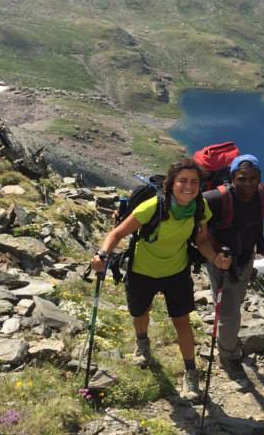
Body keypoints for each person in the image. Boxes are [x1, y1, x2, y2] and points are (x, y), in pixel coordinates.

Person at [90, 159, 226, 399]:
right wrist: (102, 255)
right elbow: (117, 233)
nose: (189, 186)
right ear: (171, 184)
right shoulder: (153, 207)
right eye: (183, 181)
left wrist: (215, 259)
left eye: (194, 182)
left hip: (177, 270)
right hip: (143, 270)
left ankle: (190, 374)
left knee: (181, 321)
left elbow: (202, 240)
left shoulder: (200, 206)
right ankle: (142, 343)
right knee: (140, 313)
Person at [202, 154, 264, 386]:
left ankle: (228, 341)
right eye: (242, 179)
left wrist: (261, 243)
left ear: (260, 178)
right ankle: (228, 355)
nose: (248, 184)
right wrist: (214, 254)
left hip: (246, 256)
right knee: (229, 311)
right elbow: (198, 227)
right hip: (220, 260)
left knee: (236, 300)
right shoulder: (214, 199)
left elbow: (257, 220)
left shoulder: (263, 195)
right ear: (232, 178)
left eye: (253, 178)